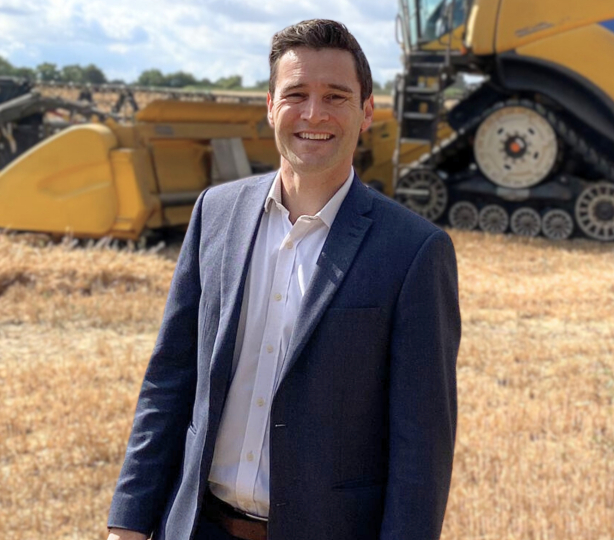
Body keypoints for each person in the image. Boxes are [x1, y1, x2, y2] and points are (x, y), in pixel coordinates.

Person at [107, 19, 460, 540]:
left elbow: (420, 445)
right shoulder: (215, 213)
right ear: (270, 105)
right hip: (197, 527)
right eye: (296, 93)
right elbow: (170, 380)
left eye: (336, 96)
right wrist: (128, 522)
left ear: (366, 113)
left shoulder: (413, 251)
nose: (314, 113)